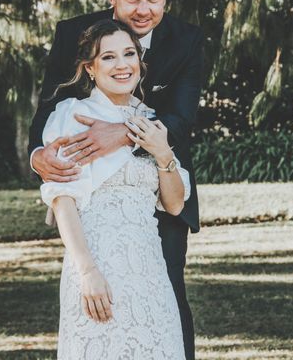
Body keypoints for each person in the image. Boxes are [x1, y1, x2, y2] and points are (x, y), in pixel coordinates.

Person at [28, 0, 204, 359]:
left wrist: (124, 133)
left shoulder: (187, 40)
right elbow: (46, 113)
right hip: (95, 209)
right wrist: (39, 156)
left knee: (168, 309)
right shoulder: (76, 36)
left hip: (157, 197)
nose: (143, 10)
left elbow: (179, 119)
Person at [40, 19, 189, 359]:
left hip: (149, 271)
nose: (122, 65)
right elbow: (64, 201)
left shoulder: (150, 120)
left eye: (128, 54)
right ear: (90, 68)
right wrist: (87, 272)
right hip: (97, 267)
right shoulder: (73, 115)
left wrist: (162, 151)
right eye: (108, 57)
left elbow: (176, 204)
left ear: (140, 61)